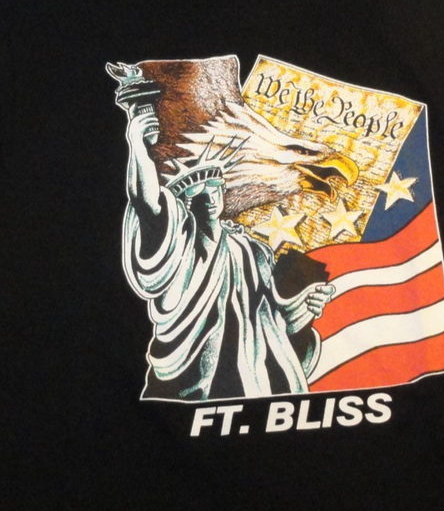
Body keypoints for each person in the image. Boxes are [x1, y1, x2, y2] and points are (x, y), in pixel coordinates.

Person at [113, 72, 334, 401]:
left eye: (217, 185)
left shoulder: (253, 252)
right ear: (187, 201)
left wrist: (302, 310)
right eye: (202, 185)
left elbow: (269, 322)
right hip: (193, 387)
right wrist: (137, 144)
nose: (212, 193)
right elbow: (147, 202)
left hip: (257, 387)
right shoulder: (180, 250)